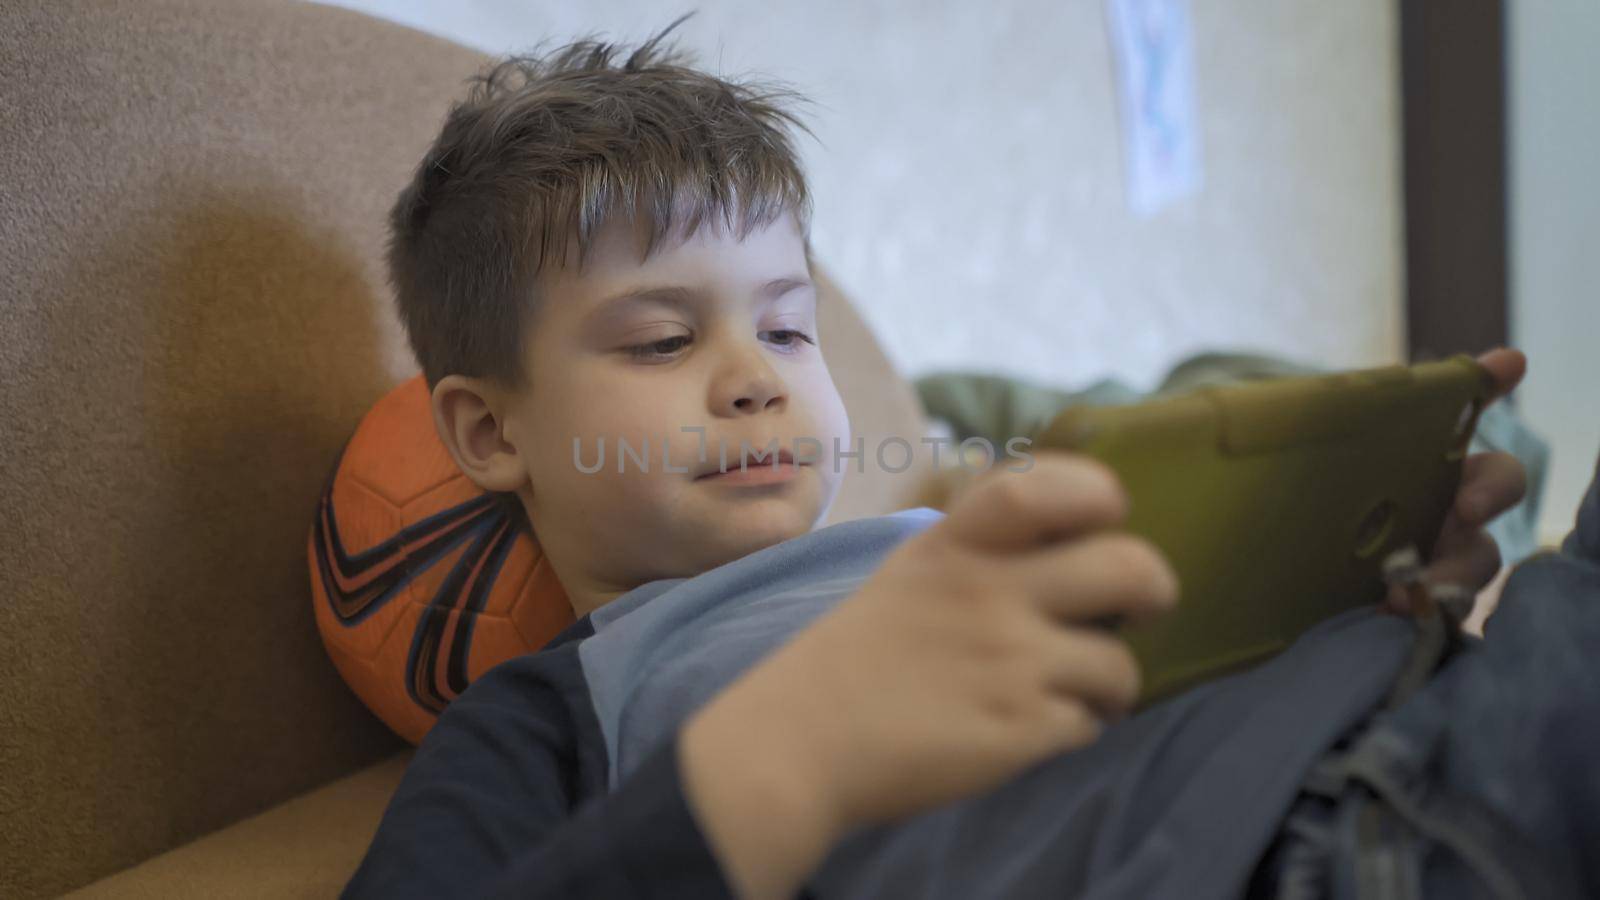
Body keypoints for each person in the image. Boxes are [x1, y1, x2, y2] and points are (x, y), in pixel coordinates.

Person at [341, 14, 1554, 899]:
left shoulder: (936, 536)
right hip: (1331, 842)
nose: (755, 376)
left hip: (1446, 699)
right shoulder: (549, 716)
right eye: (662, 340)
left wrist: (1358, 579)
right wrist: (795, 748)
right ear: (492, 432)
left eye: (784, 327)